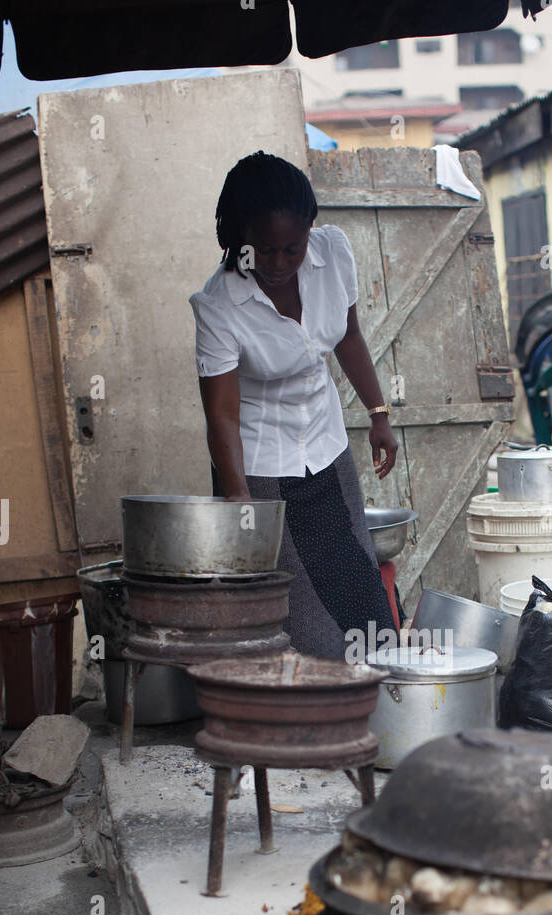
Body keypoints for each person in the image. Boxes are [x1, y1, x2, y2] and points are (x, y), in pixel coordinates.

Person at [189, 151, 399, 657]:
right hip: (261, 468)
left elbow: (347, 335)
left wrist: (378, 415)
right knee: (303, 616)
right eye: (264, 249)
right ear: (239, 237)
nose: (279, 263)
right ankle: (306, 720)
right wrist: (239, 498)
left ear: (310, 230)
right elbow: (221, 414)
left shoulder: (333, 254)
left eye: (292, 248)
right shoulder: (218, 306)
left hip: (326, 447)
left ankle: (373, 706)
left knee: (358, 590)